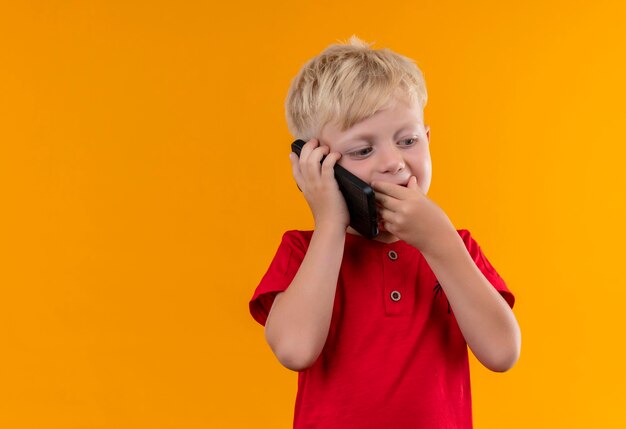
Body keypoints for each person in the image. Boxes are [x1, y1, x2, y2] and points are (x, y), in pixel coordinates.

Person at [248, 35, 521, 429]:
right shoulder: (303, 250)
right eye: (363, 150)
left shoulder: (454, 245)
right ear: (316, 164)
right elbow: (294, 349)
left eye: (407, 141)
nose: (394, 163)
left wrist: (440, 243)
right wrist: (329, 223)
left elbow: (502, 353)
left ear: (427, 141)